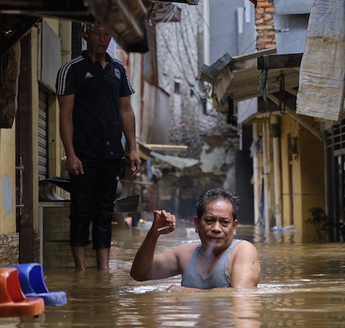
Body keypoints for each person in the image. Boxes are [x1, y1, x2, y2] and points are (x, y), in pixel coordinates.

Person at [56, 22, 141, 271]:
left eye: (107, 34)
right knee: (81, 211)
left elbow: (126, 110)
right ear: (85, 35)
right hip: (83, 154)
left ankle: (103, 270)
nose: (102, 39)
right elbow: (65, 114)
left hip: (111, 153)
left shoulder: (118, 70)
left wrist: (133, 148)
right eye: (96, 33)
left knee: (105, 212)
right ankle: (81, 271)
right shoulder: (72, 69)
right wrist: (70, 154)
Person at [129, 188, 260, 291]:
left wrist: (186, 292)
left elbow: (240, 296)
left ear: (234, 227)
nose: (216, 228)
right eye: (209, 220)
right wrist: (153, 234)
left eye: (224, 222)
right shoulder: (184, 254)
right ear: (197, 224)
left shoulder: (243, 251)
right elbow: (139, 274)